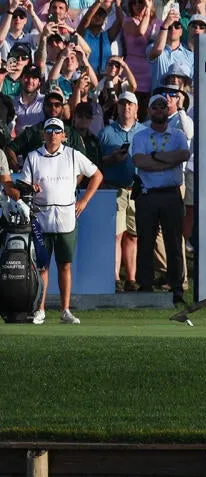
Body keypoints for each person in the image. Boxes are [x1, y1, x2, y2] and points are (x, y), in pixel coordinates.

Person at [12, 117, 102, 324]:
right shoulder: (33, 157)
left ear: (64, 135)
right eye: (49, 130)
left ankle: (65, 310)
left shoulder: (72, 154)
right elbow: (23, 185)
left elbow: (97, 175)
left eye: (57, 130)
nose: (53, 134)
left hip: (66, 218)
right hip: (41, 218)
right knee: (42, 267)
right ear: (43, 134)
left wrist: (84, 201)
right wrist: (31, 188)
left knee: (65, 265)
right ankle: (40, 309)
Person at [130, 94, 189, 304]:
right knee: (145, 241)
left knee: (174, 243)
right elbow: (140, 161)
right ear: (149, 111)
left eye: (162, 107)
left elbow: (183, 155)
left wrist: (154, 157)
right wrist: (166, 161)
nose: (159, 111)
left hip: (171, 194)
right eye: (155, 107)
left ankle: (177, 288)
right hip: (148, 194)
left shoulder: (178, 134)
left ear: (168, 110)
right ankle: (145, 285)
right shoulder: (140, 136)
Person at [97, 91, 144, 290]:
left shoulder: (144, 131)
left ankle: (131, 279)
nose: (126, 108)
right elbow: (97, 162)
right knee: (116, 235)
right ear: (117, 107)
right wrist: (112, 159)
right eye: (123, 104)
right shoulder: (106, 132)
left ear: (136, 108)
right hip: (114, 189)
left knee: (132, 235)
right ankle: (115, 278)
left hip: (137, 190)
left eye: (130, 104)